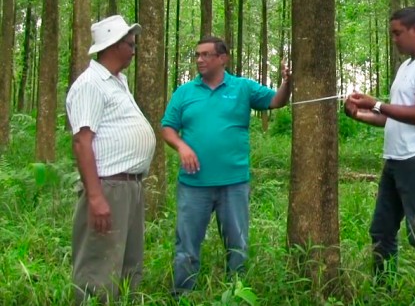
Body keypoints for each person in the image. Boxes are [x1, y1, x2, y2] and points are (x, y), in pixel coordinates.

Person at [161, 36, 291, 294]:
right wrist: (182, 146)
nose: (199, 59)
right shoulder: (184, 92)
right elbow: (168, 128)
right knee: (186, 246)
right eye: (197, 54)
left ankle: (236, 293)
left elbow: (276, 101)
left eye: (206, 54)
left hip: (234, 183)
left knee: (237, 246)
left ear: (223, 58)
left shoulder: (242, 87)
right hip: (193, 184)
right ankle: (182, 296)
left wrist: (288, 82)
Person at [345, 7, 415, 285]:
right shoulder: (406, 66)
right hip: (395, 160)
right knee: (381, 229)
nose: (394, 39)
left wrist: (375, 103)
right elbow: (390, 118)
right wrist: (358, 114)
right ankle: (384, 288)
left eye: (397, 33)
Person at [65, 15, 156, 303]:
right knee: (98, 266)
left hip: (129, 187)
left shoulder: (117, 82)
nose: (133, 50)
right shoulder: (91, 84)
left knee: (128, 265)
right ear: (112, 46)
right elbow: (82, 142)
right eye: (129, 44)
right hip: (108, 187)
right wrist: (95, 197)